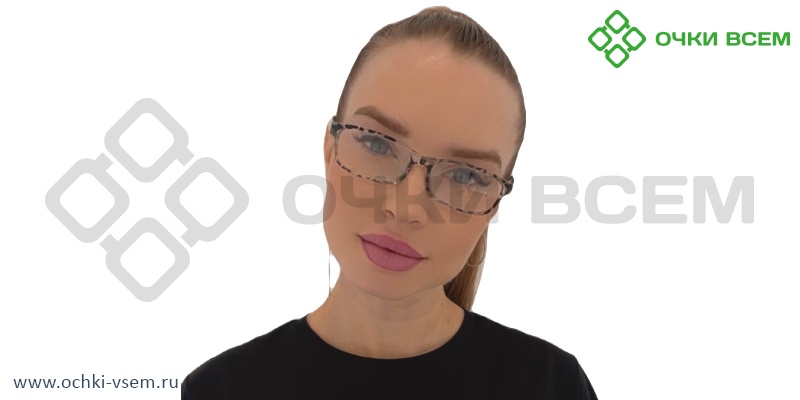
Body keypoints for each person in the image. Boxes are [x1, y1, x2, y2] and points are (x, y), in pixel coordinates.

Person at [181, 6, 598, 399]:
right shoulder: (222, 389)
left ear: (492, 206)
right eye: (378, 145)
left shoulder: (550, 385)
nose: (404, 209)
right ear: (330, 149)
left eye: (465, 175)